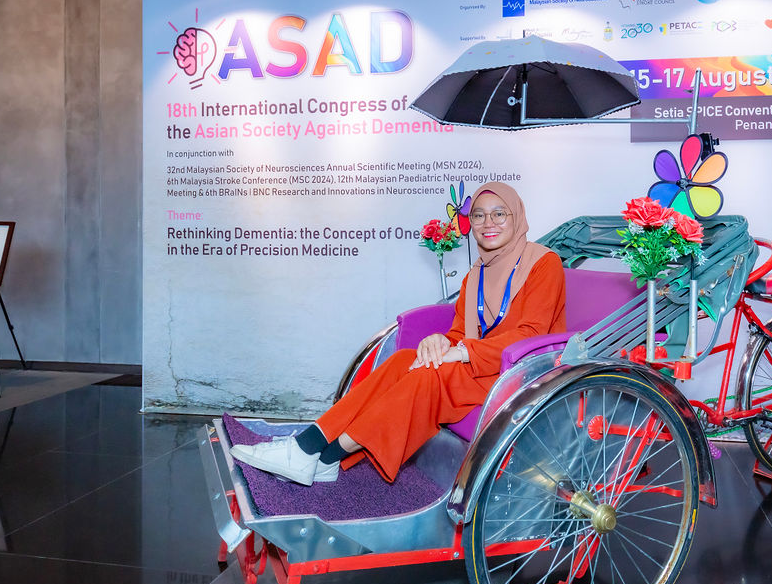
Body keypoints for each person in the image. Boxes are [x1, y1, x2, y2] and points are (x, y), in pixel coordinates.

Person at [230, 181, 566, 485]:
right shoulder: (476, 273)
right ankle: (317, 452)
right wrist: (441, 341)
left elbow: (531, 334)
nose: (488, 223)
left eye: (499, 213)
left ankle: (315, 452)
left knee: (428, 376)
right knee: (405, 358)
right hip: (481, 366)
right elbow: (461, 333)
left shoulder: (544, 263)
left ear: (517, 216)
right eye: (478, 215)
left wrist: (462, 351)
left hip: (520, 372)